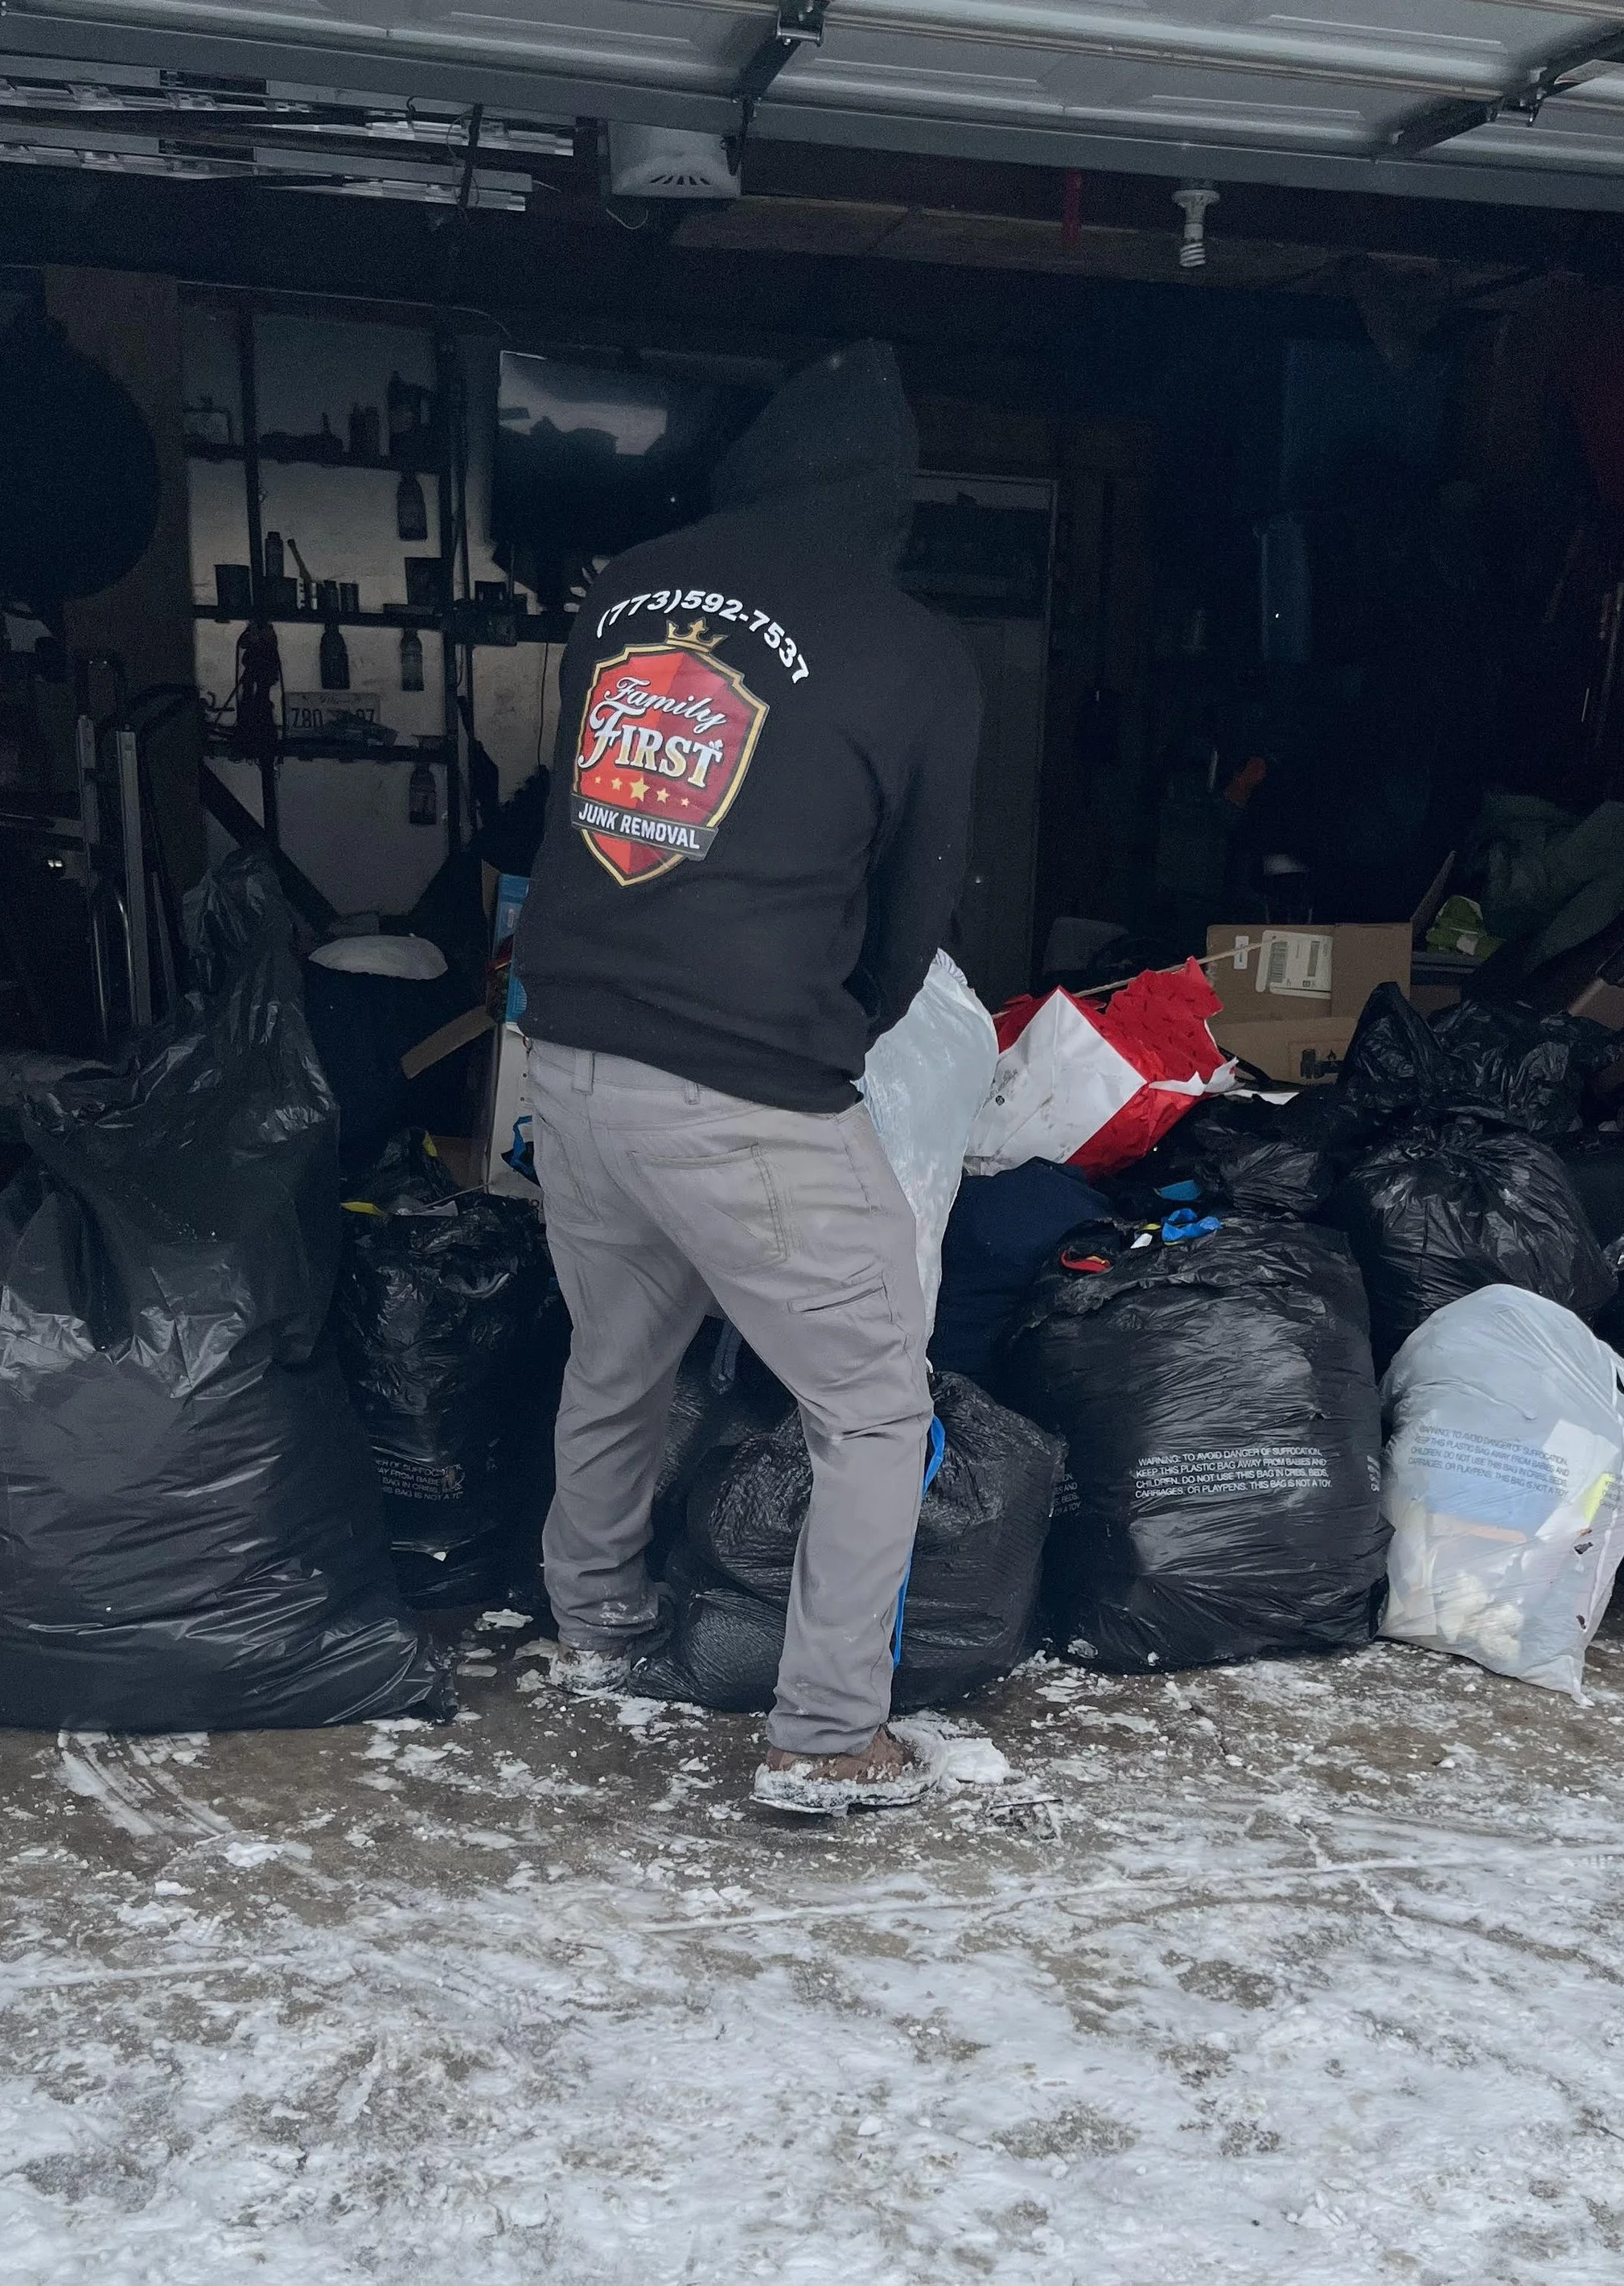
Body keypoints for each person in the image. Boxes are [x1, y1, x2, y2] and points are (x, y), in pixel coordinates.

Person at [515, 340, 981, 1815]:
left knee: (618, 1354)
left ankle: (591, 1625)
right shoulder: (915, 649)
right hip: (746, 1090)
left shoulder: (624, 588)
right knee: (875, 1408)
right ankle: (828, 1733)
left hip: (570, 1057)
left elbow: (597, 800)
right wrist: (841, 1033)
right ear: (889, 499)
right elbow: (916, 910)